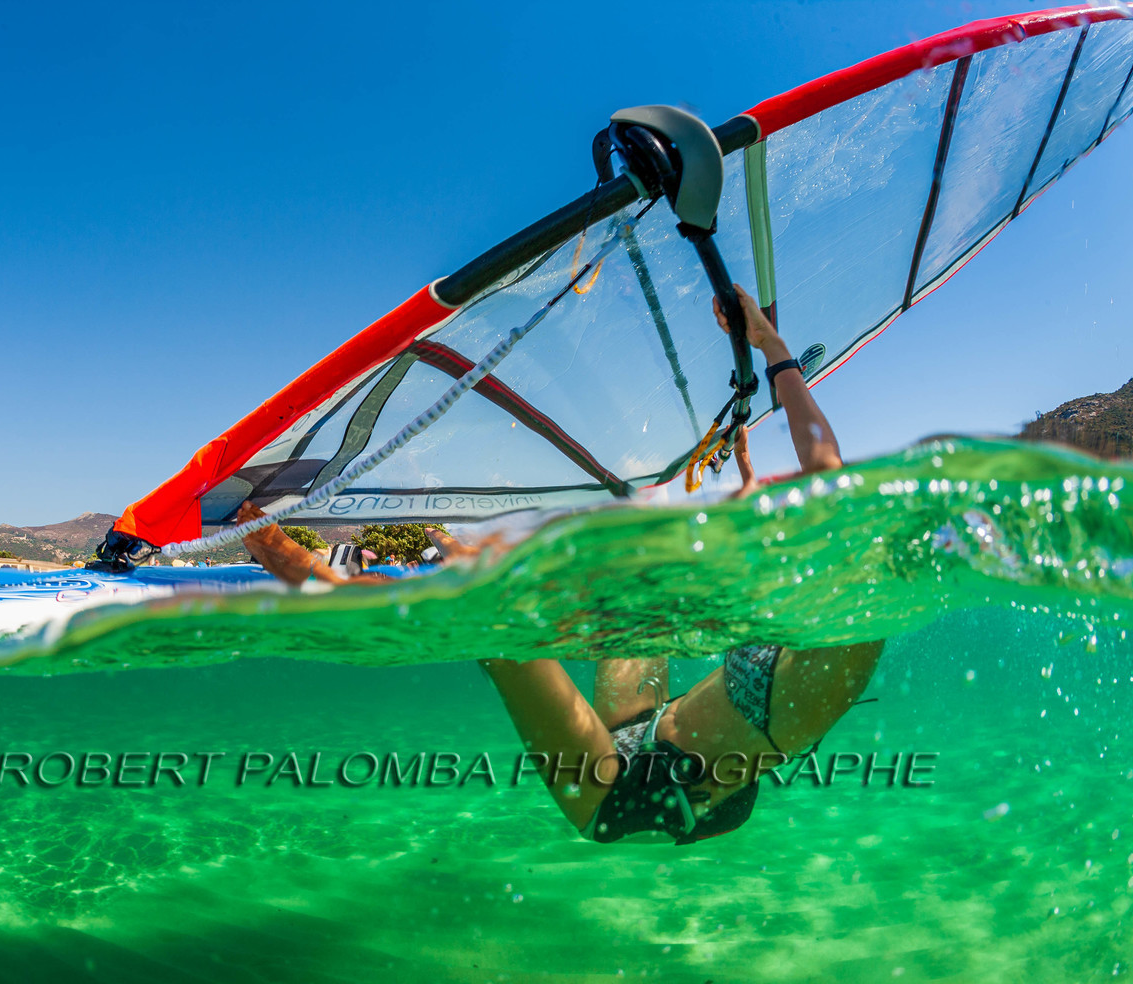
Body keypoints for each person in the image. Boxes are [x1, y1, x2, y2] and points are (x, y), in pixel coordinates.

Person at [238, 285, 882, 844]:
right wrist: (766, 350)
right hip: (653, 726)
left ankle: (306, 570)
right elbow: (820, 475)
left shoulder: (851, 633)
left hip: (626, 794)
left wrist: (771, 344)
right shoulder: (820, 575)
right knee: (628, 591)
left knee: (494, 629)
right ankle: (433, 541)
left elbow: (828, 477)